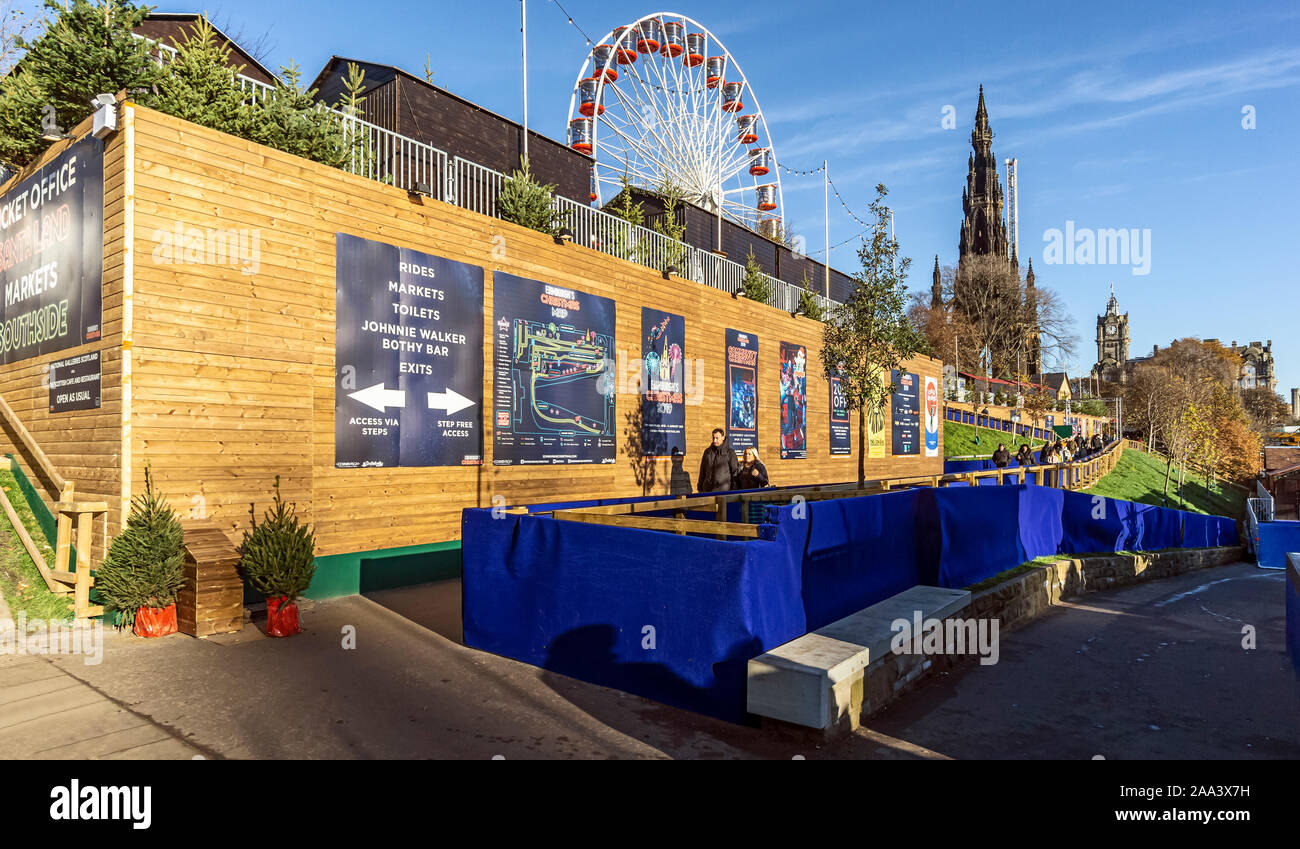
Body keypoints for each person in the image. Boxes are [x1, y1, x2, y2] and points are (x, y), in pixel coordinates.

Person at [697, 427, 740, 493]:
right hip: (707, 490)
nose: (714, 440)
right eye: (713, 438)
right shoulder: (707, 452)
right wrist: (700, 487)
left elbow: (735, 472)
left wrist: (734, 490)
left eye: (717, 438)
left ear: (723, 437)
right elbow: (702, 470)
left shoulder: (730, 453)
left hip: (724, 490)